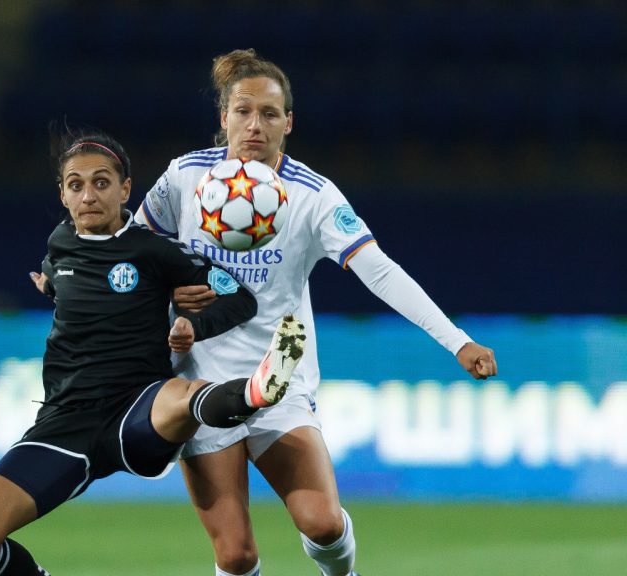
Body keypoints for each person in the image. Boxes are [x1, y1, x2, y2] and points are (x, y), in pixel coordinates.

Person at [135, 48, 498, 576]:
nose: (254, 125)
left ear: (289, 124)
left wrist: (456, 340)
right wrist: (165, 293)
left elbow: (379, 270)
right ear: (223, 119)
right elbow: (134, 253)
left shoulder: (314, 196)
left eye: (269, 114)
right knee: (235, 556)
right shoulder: (186, 177)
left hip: (278, 380)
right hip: (199, 384)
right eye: (242, 111)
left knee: (323, 523)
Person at [0, 129, 306, 575]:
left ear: (125, 189)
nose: (89, 195)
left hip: (137, 410)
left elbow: (239, 297)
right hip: (65, 424)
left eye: (101, 182)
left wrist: (192, 326)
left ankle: (255, 392)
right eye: (76, 185)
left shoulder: (154, 251)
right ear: (62, 194)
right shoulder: (58, 245)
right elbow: (61, 277)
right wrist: (49, 285)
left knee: (182, 396)